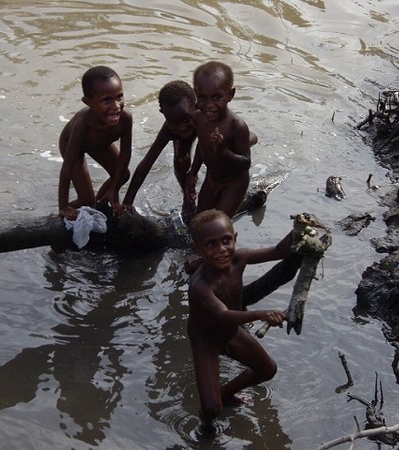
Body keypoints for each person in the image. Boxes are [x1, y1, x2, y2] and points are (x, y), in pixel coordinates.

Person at [187, 209, 295, 435]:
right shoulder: (200, 284)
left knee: (267, 369)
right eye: (211, 244)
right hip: (206, 340)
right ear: (197, 249)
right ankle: (205, 431)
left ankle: (225, 394)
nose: (221, 250)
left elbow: (280, 251)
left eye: (226, 240)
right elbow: (223, 314)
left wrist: (302, 229)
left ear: (235, 238)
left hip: (231, 332)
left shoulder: (241, 258)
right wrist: (259, 314)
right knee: (210, 408)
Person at [58, 66, 132, 220]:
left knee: (123, 174)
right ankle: (60, 221)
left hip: (100, 144)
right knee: (86, 200)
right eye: (106, 100)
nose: (116, 106)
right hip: (73, 147)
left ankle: (101, 204)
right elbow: (67, 169)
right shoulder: (83, 123)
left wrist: (115, 190)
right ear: (88, 102)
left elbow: (125, 153)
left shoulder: (125, 118)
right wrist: (63, 206)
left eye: (119, 97)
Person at [186, 61, 255, 218]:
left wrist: (223, 151)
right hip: (212, 179)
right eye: (202, 98)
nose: (209, 105)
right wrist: (193, 172)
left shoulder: (236, 126)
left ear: (230, 95)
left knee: (218, 223)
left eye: (217, 97)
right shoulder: (198, 117)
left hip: (234, 183)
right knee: (199, 223)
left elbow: (245, 163)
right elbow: (202, 146)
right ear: (196, 95)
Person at [122, 80, 198, 221]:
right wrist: (128, 201)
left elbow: (206, 150)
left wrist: (194, 173)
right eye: (174, 122)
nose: (182, 127)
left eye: (186, 119)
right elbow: (146, 163)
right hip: (180, 137)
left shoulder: (204, 118)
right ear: (163, 113)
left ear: (197, 107)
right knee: (181, 162)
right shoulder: (170, 129)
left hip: (205, 134)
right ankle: (187, 196)